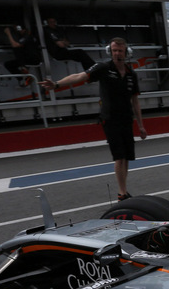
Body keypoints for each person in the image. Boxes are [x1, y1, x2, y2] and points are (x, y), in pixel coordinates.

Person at [40, 38, 147, 201]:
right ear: (109, 52)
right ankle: (122, 193)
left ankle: (124, 190)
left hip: (126, 119)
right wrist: (56, 84)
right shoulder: (103, 67)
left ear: (127, 52)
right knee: (119, 156)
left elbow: (135, 101)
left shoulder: (132, 74)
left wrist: (141, 125)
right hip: (110, 118)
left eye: (120, 50)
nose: (117, 53)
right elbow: (79, 76)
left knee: (126, 157)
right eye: (114, 50)